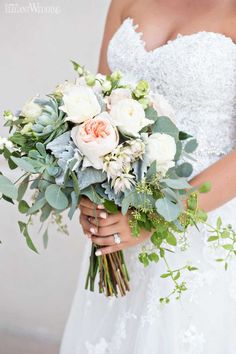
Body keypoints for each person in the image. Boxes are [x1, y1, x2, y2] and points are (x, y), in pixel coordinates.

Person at [60, 1, 236, 353]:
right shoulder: (124, 2)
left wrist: (152, 220)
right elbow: (97, 109)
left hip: (200, 223)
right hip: (118, 220)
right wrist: (92, 192)